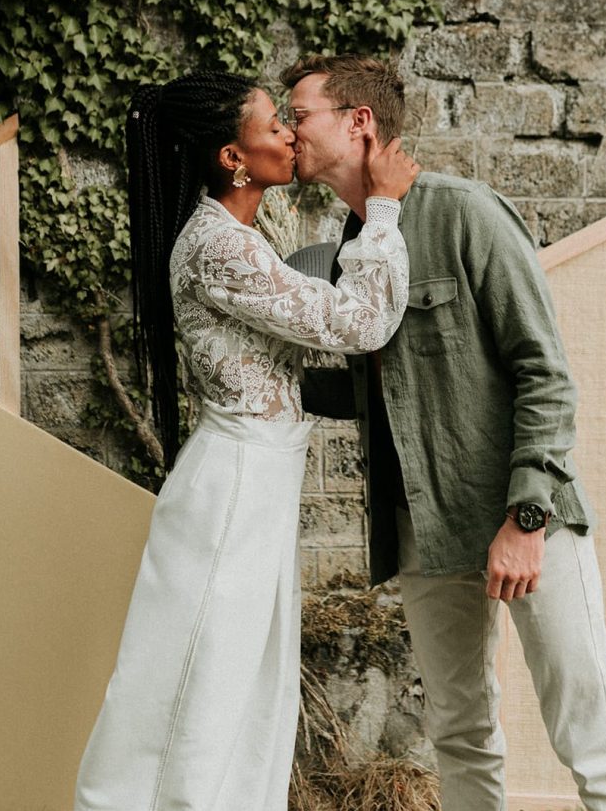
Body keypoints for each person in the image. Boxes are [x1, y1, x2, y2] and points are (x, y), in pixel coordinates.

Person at [281, 53, 606, 811]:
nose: (289, 130)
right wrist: (254, 367)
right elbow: (382, 393)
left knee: (589, 731)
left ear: (359, 123)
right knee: (458, 732)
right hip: (419, 526)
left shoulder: (465, 214)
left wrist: (525, 518)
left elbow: (544, 372)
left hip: (523, 513)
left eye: (300, 114)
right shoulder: (356, 247)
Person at [73, 70, 418, 811]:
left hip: (257, 486)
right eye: (275, 126)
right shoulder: (219, 246)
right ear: (234, 157)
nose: (292, 135)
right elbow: (358, 322)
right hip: (229, 492)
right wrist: (383, 208)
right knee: (195, 695)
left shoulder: (243, 235)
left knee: (248, 699)